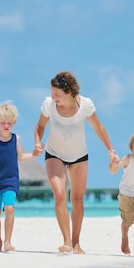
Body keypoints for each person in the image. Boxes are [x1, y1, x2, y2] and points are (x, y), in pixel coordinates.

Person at [33, 71, 119, 254]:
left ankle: (76, 242)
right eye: (52, 93)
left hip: (79, 156)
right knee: (60, 195)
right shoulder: (49, 105)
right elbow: (40, 126)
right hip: (54, 153)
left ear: (69, 92)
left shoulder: (85, 105)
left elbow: (98, 127)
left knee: (77, 200)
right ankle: (66, 241)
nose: (53, 97)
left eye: (57, 94)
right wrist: (37, 142)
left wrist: (110, 150)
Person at [0, 100, 39, 252]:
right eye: (3, 122)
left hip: (10, 181)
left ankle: (7, 242)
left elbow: (20, 157)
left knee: (10, 209)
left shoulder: (16, 139)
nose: (6, 125)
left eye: (9, 123)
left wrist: (34, 155)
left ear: (15, 122)